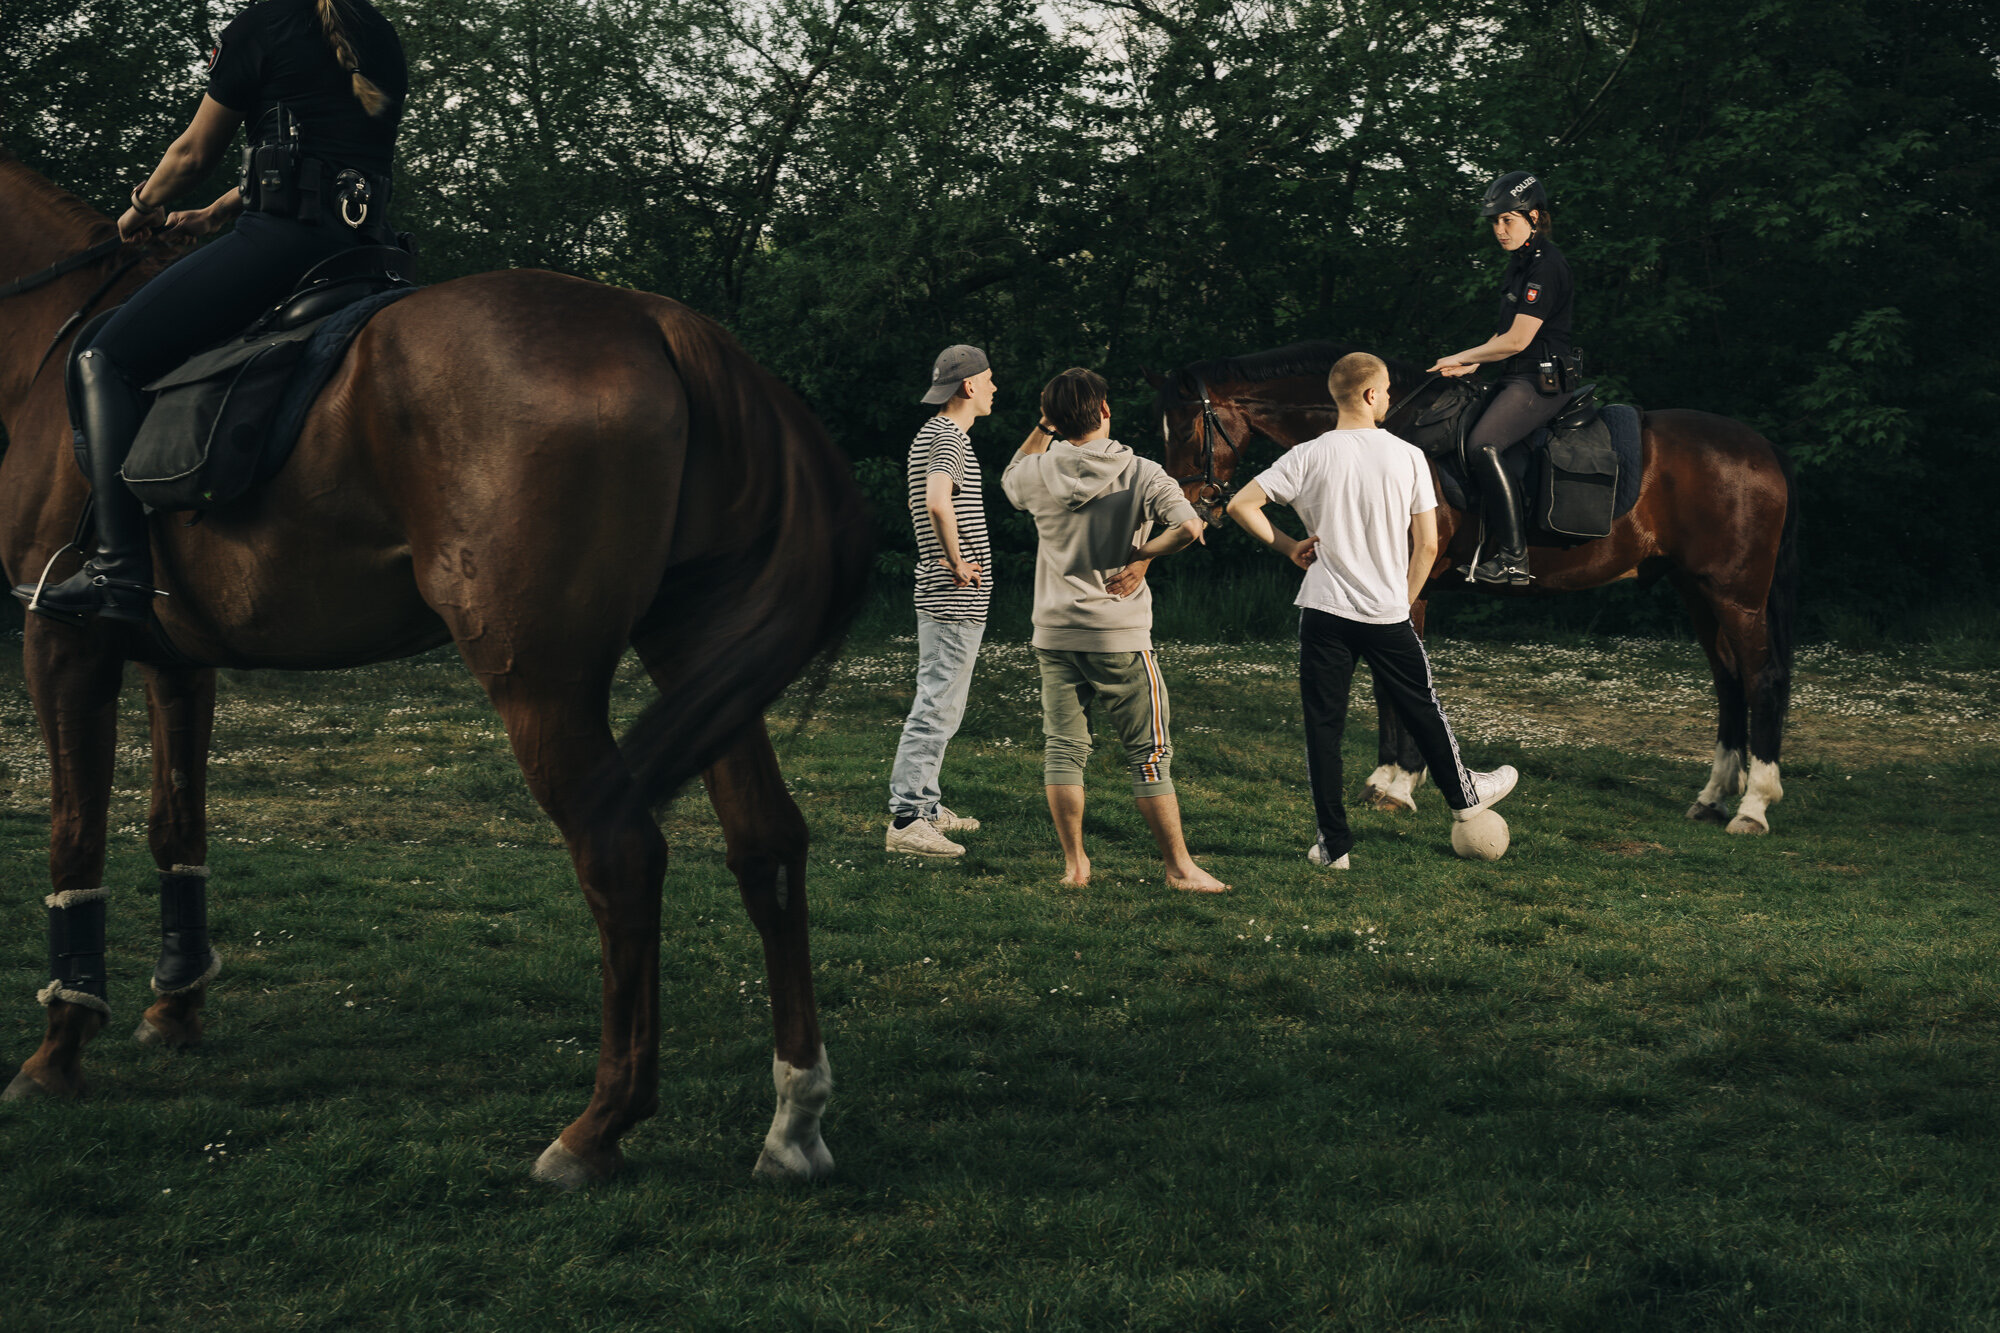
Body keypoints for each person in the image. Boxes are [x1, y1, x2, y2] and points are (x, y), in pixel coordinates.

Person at [23, 0, 407, 625]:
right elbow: (332, 150)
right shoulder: (379, 33)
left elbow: (193, 155)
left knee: (103, 357)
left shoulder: (264, 24)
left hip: (283, 244)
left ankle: (119, 572)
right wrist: (215, 214)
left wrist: (141, 206)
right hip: (367, 250)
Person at [1226, 352, 1518, 868]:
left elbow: (1240, 506)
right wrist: (1402, 603)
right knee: (1422, 708)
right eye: (1384, 390)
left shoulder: (1307, 455)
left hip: (1323, 610)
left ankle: (1333, 846)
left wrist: (1290, 546)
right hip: (1386, 614)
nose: (1386, 398)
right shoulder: (1408, 457)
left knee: (1324, 727)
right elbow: (1426, 546)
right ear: (1368, 395)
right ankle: (1465, 794)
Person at [1001, 368, 1226, 893]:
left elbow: (1013, 471)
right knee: (1148, 754)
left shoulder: (1035, 473)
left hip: (1054, 633)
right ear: (1105, 411)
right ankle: (1178, 869)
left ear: (1054, 420)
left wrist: (1045, 424)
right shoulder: (1142, 472)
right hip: (1119, 635)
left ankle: (1076, 866)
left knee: (1063, 750)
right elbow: (1191, 527)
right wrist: (1143, 553)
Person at [1425, 170, 1578, 586]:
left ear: (1534, 217)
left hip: (1542, 381)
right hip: (1516, 374)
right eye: (1494, 222)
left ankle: (1514, 560)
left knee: (1483, 444)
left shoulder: (1547, 266)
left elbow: (1519, 340)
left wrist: (1461, 353)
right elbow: (1505, 333)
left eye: (1507, 219)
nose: (1499, 229)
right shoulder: (1521, 263)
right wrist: (1474, 363)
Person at [886, 345, 998, 858]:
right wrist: (956, 563)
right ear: (969, 386)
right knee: (935, 707)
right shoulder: (948, 438)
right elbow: (936, 501)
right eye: (990, 380)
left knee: (943, 704)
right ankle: (908, 819)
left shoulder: (934, 435)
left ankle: (927, 806)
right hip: (952, 595)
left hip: (951, 596)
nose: (995, 389)